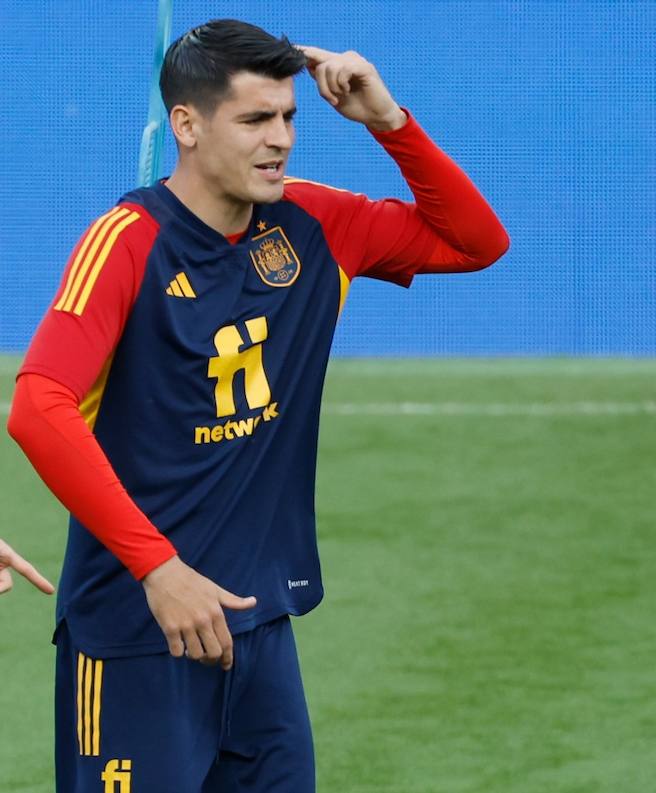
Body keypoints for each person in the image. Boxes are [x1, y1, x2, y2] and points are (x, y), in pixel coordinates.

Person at [6, 19, 508, 791]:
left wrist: (389, 122)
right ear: (187, 125)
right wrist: (159, 567)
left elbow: (477, 242)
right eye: (254, 120)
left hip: (259, 633)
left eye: (288, 117)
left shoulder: (314, 223)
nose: (280, 139)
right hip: (137, 634)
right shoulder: (125, 241)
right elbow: (38, 405)